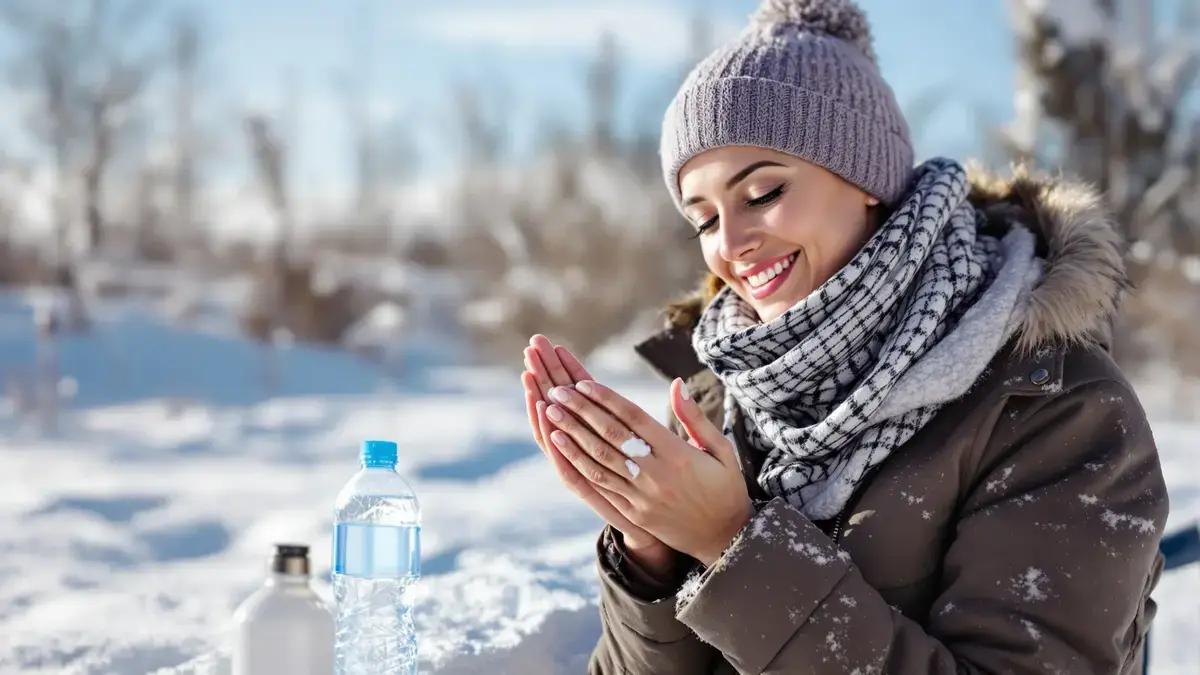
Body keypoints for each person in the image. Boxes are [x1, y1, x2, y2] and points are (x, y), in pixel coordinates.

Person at [520, 0, 1169, 671]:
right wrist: (650, 554)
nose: (732, 244)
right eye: (704, 219)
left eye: (764, 192)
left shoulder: (1055, 407)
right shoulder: (719, 400)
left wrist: (731, 543)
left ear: (866, 178)